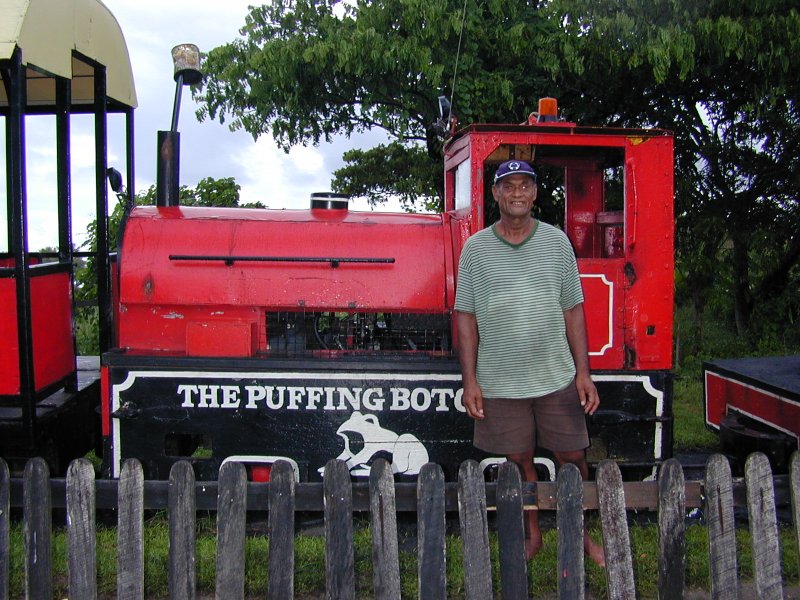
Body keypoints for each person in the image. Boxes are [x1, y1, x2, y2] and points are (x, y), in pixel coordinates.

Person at [454, 159, 605, 566]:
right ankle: (532, 535)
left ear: (535, 193)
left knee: (573, 459)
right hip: (501, 381)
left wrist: (584, 373)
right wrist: (470, 381)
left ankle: (581, 534)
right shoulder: (475, 250)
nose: (517, 192)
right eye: (508, 186)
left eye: (524, 185)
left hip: (556, 376)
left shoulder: (556, 243)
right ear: (496, 194)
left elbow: (573, 310)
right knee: (519, 463)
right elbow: (465, 317)